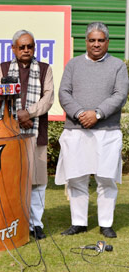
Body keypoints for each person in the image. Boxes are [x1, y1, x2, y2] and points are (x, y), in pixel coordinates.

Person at [56, 22, 129, 238]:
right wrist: (80, 113)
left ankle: (105, 223)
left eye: (100, 40)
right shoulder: (73, 65)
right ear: (85, 42)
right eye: (92, 40)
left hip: (107, 130)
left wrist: (96, 114)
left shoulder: (118, 66)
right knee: (77, 177)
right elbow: (64, 93)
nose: (96, 44)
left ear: (107, 42)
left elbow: (120, 95)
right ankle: (78, 222)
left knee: (106, 178)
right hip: (76, 130)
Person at [0, 30, 54, 240]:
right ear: (14, 49)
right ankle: (13, 222)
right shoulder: (3, 68)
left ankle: (36, 225)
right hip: (10, 133)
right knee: (12, 179)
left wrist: (27, 114)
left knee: (37, 181)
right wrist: (18, 116)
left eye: (30, 46)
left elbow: (48, 99)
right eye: (22, 47)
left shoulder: (45, 69)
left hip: (36, 132)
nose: (26, 50)